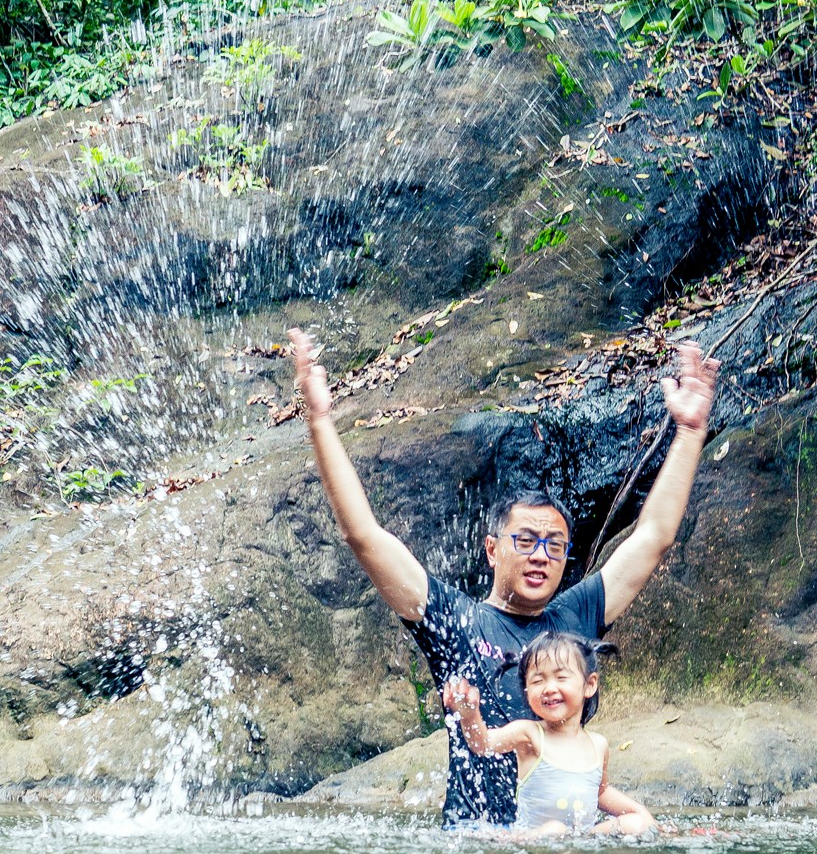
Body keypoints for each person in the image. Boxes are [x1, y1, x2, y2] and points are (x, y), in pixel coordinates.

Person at [288, 326, 719, 827]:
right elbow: (363, 535)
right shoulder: (456, 621)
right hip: (480, 853)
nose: (541, 555)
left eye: (554, 545)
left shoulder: (575, 615)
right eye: (526, 540)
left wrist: (689, 433)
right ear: (492, 550)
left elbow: (653, 538)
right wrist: (319, 420)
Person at [450, 631, 657, 835]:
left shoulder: (598, 745)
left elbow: (600, 792)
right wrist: (469, 715)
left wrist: (641, 813)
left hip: (582, 843)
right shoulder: (529, 734)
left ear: (589, 684)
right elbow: (482, 744)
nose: (549, 688)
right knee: (555, 830)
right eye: (538, 681)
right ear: (526, 691)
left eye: (561, 677)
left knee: (636, 824)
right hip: (533, 841)